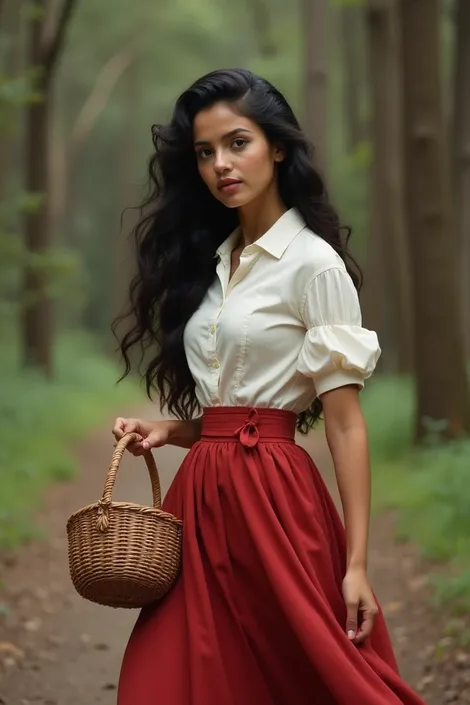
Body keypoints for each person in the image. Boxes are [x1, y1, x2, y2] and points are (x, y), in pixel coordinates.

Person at [111, 68, 426, 705]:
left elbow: (342, 422)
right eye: (205, 152)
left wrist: (357, 565)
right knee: (168, 679)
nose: (221, 164)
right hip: (200, 497)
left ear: (277, 147)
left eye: (238, 142)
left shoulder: (314, 265)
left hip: (276, 504)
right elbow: (234, 403)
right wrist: (172, 429)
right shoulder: (215, 261)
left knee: (299, 675)